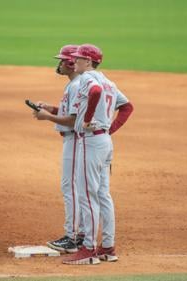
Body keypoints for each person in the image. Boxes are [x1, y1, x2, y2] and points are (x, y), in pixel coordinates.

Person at [62, 44, 133, 265]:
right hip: (105, 141)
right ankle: (108, 247)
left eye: (79, 58)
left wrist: (86, 119)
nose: (75, 61)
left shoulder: (88, 78)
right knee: (103, 195)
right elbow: (127, 107)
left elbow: (94, 92)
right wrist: (110, 129)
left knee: (87, 194)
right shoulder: (109, 81)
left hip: (91, 142)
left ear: (89, 62)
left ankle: (89, 249)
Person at [33, 45, 84, 254]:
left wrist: (47, 117)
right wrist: (51, 108)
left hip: (74, 139)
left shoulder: (76, 85)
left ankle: (72, 237)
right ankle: (79, 234)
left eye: (63, 60)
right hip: (74, 139)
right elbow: (71, 112)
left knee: (70, 188)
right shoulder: (76, 83)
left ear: (72, 63)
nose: (59, 63)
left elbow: (73, 121)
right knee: (75, 188)